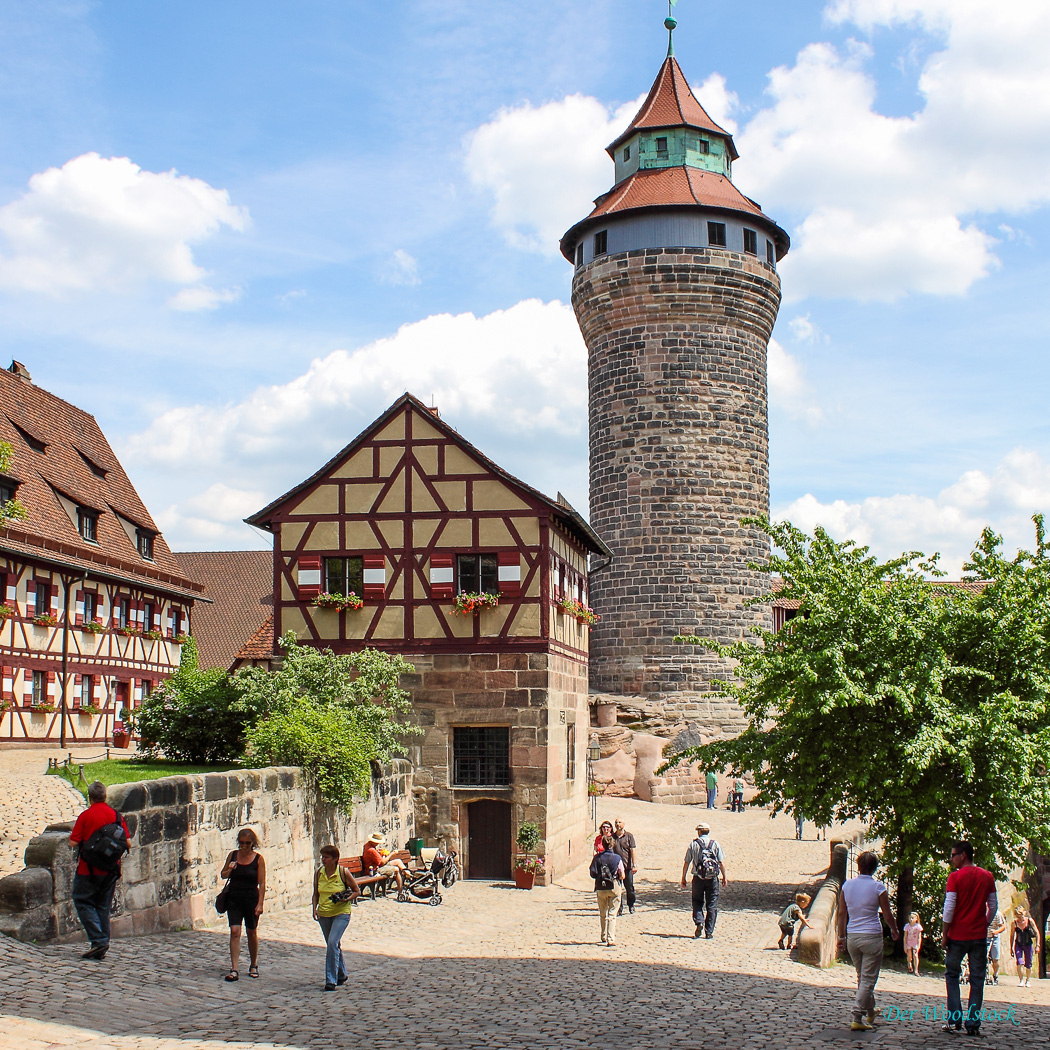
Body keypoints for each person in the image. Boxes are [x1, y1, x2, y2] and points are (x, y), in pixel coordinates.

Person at [836, 850, 899, 1032]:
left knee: (862, 977)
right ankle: (857, 1015)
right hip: (871, 935)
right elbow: (887, 913)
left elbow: (842, 913)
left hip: (853, 936)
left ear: (858, 866)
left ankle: (870, 1012)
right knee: (868, 979)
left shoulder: (847, 886)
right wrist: (894, 930)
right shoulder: (878, 887)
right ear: (874, 868)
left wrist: (841, 936)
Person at [69, 780, 132, 960]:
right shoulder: (116, 816)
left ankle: (99, 941)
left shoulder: (86, 816)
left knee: (82, 901)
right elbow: (127, 842)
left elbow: (73, 842)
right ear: (105, 796)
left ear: (90, 798)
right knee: (103, 906)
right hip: (110, 870)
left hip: (87, 870)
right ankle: (102, 942)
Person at [940, 840, 997, 1035]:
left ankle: (955, 1019)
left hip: (957, 935)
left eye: (953, 855)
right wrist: (984, 923)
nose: (951, 858)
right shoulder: (987, 876)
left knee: (952, 975)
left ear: (963, 855)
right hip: (978, 936)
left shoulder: (955, 877)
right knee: (977, 979)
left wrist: (945, 933)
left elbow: (949, 908)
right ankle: (973, 1024)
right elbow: (993, 906)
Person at [219, 827, 266, 982]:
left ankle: (253, 964)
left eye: (247, 843)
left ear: (252, 843)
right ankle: (234, 968)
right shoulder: (233, 855)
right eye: (241, 843)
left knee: (251, 932)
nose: (244, 846)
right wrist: (230, 869)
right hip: (234, 897)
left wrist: (260, 904)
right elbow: (223, 874)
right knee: (235, 931)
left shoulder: (258, 859)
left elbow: (262, 883)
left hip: (251, 898)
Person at [312, 845, 360, 991]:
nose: (323, 860)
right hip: (324, 914)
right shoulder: (319, 873)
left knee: (332, 943)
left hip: (341, 913)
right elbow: (316, 893)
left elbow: (356, 891)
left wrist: (347, 899)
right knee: (333, 945)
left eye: (326, 857)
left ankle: (330, 980)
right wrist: (314, 908)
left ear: (335, 859)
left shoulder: (343, 872)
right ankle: (342, 973)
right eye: (322, 857)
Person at [680, 821, 727, 939]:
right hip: (712, 878)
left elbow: (687, 861)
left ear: (699, 832)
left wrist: (683, 877)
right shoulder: (715, 844)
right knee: (712, 904)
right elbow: (721, 862)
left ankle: (699, 921)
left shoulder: (693, 844)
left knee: (697, 901)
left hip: (698, 878)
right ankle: (709, 931)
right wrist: (724, 876)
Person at [589, 834, 625, 946]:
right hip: (614, 886)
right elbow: (622, 874)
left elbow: (592, 873)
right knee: (612, 913)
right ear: (613, 845)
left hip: (601, 886)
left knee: (603, 912)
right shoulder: (617, 858)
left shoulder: (597, 858)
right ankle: (611, 938)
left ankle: (603, 935)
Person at [613, 818, 638, 916]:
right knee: (617, 889)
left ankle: (631, 904)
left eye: (619, 822)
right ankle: (619, 907)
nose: (618, 824)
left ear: (624, 824)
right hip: (616, 868)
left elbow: (633, 851)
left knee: (629, 888)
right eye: (616, 822)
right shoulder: (613, 837)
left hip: (627, 867)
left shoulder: (629, 836)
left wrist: (634, 865)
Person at [1011, 905, 1039, 988]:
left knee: (1028, 963)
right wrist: (1011, 948)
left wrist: (1037, 945)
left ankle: (1028, 980)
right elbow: (1012, 935)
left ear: (1024, 914)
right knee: (1019, 962)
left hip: (1028, 944)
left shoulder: (1030, 921)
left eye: (1021, 916)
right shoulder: (1014, 923)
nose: (1019, 918)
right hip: (1018, 944)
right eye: (1017, 916)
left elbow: (1037, 933)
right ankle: (1021, 980)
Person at [987, 907, 1007, 985]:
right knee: (982, 958)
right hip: (983, 937)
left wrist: (996, 931)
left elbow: (1003, 926)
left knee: (995, 959)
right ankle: (984, 975)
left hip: (994, 938)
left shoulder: (997, 914)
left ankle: (995, 974)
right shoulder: (980, 912)